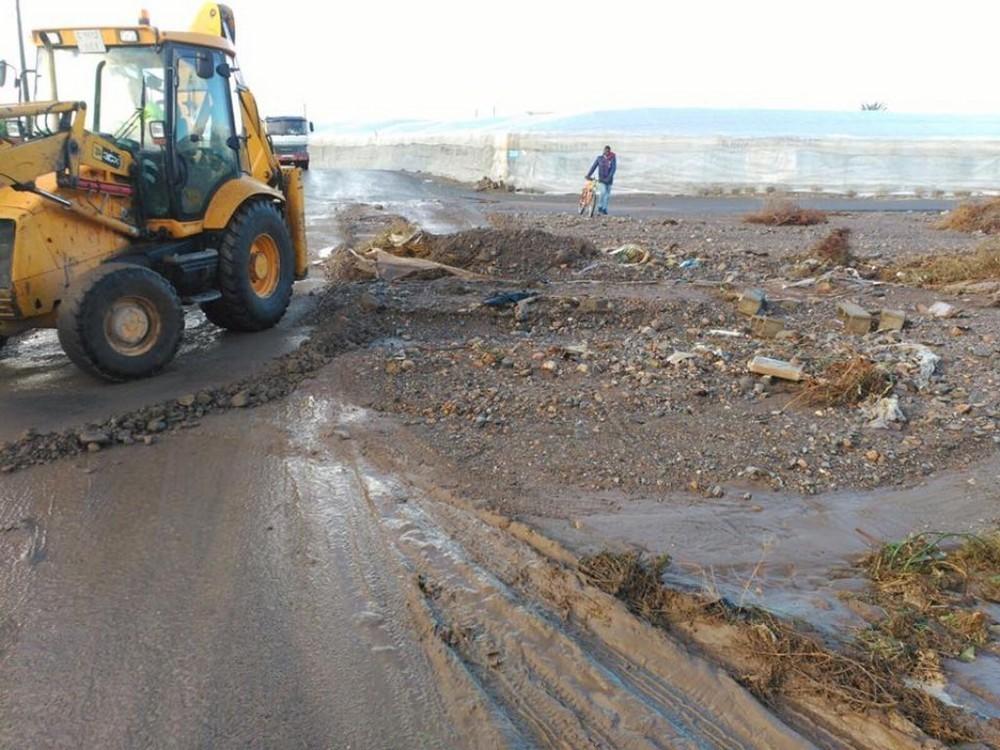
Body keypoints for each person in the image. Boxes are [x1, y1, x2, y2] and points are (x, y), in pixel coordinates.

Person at [585, 145, 617, 215]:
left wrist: (609, 178)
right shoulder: (599, 158)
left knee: (607, 195)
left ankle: (604, 208)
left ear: (609, 151)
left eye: (608, 151)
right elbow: (593, 167)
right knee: (603, 192)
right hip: (602, 179)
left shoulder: (612, 158)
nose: (606, 152)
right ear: (603, 151)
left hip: (609, 180)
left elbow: (613, 169)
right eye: (605, 151)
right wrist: (588, 175)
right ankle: (600, 207)